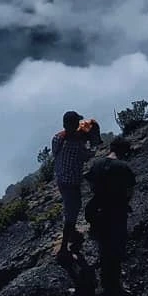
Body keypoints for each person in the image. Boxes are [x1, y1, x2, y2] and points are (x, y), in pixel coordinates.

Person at [84, 135, 136, 296]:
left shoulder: (97, 164)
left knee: (103, 247)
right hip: (116, 213)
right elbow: (129, 191)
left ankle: (106, 284)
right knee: (115, 249)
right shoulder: (123, 167)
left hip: (97, 212)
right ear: (124, 151)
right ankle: (114, 287)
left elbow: (91, 184)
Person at [51, 110, 102, 257]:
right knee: (72, 211)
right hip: (71, 182)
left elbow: (57, 152)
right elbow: (87, 156)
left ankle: (72, 234)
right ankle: (64, 249)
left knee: (70, 206)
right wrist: (94, 144)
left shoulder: (57, 138)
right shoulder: (77, 145)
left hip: (60, 179)